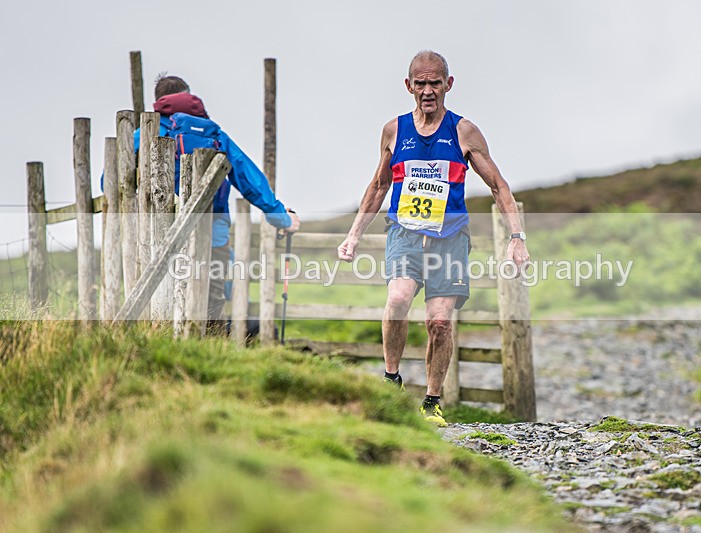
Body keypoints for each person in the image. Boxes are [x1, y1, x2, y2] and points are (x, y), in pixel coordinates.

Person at [337, 51, 529, 426]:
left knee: (439, 322)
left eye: (435, 83)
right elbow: (379, 185)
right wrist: (353, 234)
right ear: (409, 86)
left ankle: (431, 401)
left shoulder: (463, 131)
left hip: (450, 239)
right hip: (404, 232)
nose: (428, 91)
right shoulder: (394, 130)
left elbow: (498, 186)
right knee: (397, 298)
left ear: (448, 85)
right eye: (420, 84)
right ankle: (392, 379)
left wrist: (517, 236)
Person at [107, 74, 300, 332]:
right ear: (189, 95)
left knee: (160, 294)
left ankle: (159, 344)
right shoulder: (213, 132)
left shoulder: (145, 132)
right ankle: (208, 348)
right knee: (211, 299)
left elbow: (110, 183)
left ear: (158, 102)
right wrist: (280, 217)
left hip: (157, 230)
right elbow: (247, 177)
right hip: (214, 231)